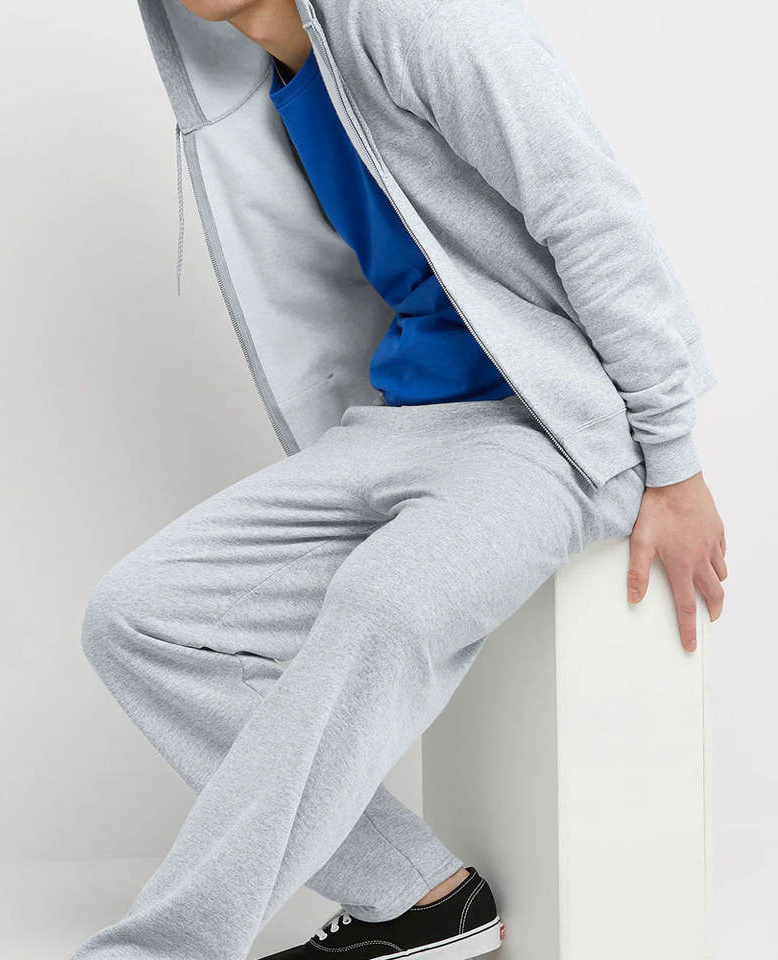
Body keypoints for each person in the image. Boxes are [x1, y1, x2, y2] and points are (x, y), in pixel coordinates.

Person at [71, 1, 727, 958]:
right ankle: (421, 896)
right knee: (138, 617)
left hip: (550, 424)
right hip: (401, 421)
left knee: (384, 602)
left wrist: (673, 463)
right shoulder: (247, 87)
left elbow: (590, 209)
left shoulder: (420, 17)